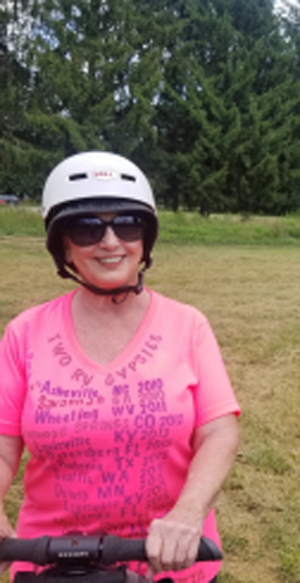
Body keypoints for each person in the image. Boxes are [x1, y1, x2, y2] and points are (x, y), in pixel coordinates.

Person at [0, 152, 240, 583]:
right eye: (87, 228)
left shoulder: (188, 326)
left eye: (127, 224)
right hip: (50, 564)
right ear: (64, 245)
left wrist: (187, 514)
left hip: (170, 563)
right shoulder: (24, 334)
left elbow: (219, 431)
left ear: (145, 238)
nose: (110, 241)